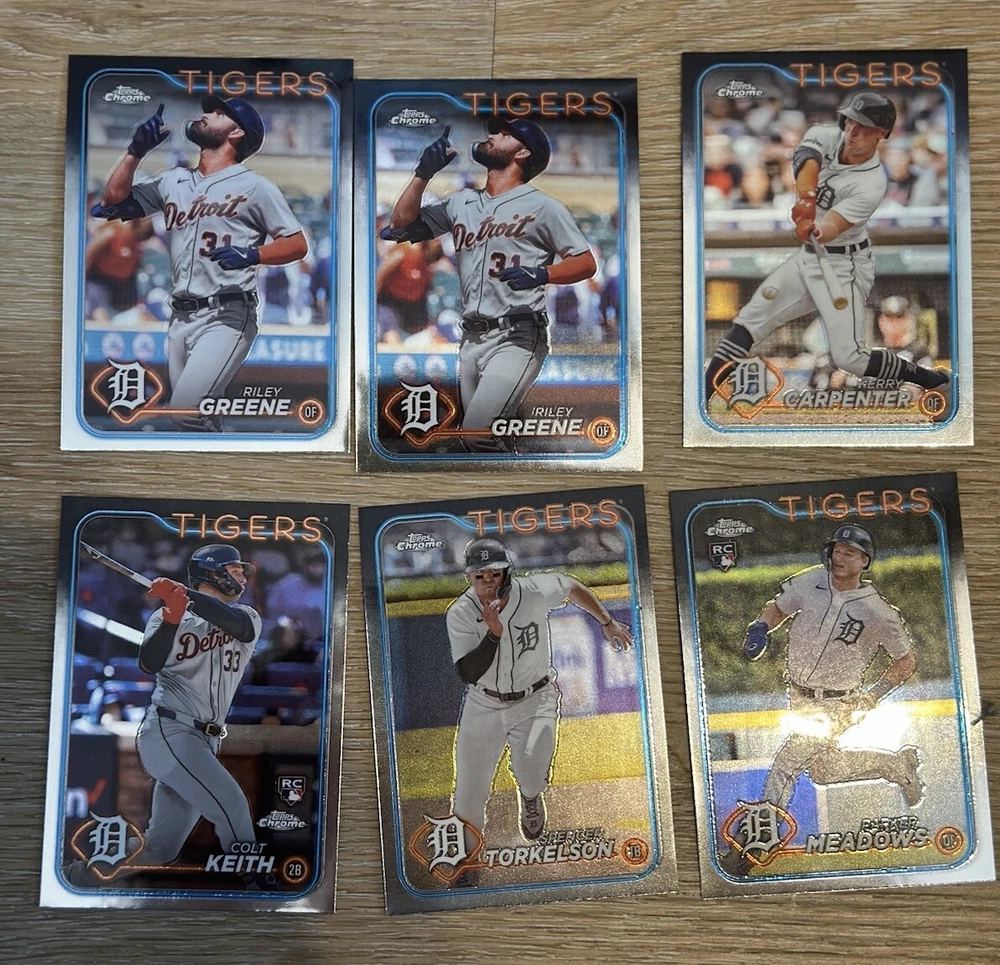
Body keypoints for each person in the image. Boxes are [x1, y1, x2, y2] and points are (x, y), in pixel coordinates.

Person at [703, 92, 952, 422]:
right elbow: (806, 154)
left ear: (881, 133)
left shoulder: (872, 181)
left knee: (849, 358)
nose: (853, 130)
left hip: (845, 265)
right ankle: (699, 401)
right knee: (746, 324)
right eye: (850, 122)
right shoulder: (824, 134)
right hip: (809, 259)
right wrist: (807, 195)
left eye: (864, 126)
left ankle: (931, 379)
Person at [89, 98, 309, 431]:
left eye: (219, 113)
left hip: (227, 314)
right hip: (180, 317)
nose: (207, 114)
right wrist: (135, 152)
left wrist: (254, 254)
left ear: (236, 133)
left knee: (186, 410)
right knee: (195, 420)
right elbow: (111, 202)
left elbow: (297, 244)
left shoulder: (256, 187)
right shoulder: (173, 181)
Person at [380, 118, 598, 452]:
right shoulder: (462, 202)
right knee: (486, 441)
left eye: (505, 134)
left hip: (516, 336)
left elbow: (586, 263)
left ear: (523, 153)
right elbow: (399, 226)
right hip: (470, 339)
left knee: (477, 433)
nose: (493, 135)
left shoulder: (544, 206)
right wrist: (423, 174)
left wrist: (543, 274)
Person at [722, 524, 922, 876]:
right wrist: (760, 627)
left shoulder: (877, 611)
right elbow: (776, 608)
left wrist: (873, 696)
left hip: (837, 703)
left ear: (864, 561)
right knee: (825, 771)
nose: (839, 557)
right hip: (798, 696)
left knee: (786, 764)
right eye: (837, 550)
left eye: (849, 553)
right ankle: (895, 766)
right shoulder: (811, 580)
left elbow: (906, 661)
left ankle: (751, 846)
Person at [65, 544, 264, 888]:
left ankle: (75, 878)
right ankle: (257, 881)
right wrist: (173, 615)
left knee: (160, 848)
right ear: (213, 573)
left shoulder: (247, 616)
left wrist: (184, 595)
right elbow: (149, 662)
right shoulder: (165, 616)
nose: (243, 578)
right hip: (170, 731)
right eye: (235, 570)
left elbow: (236, 626)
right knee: (232, 804)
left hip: (206, 740)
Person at [444, 537, 632, 884]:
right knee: (468, 793)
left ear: (507, 572)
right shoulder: (460, 613)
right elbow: (468, 672)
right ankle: (466, 862)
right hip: (484, 704)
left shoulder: (532, 591)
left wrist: (606, 621)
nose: (487, 582)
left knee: (532, 772)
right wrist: (493, 635)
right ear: (469, 577)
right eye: (479, 575)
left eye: (493, 573)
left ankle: (530, 796)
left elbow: (572, 586)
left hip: (535, 698)